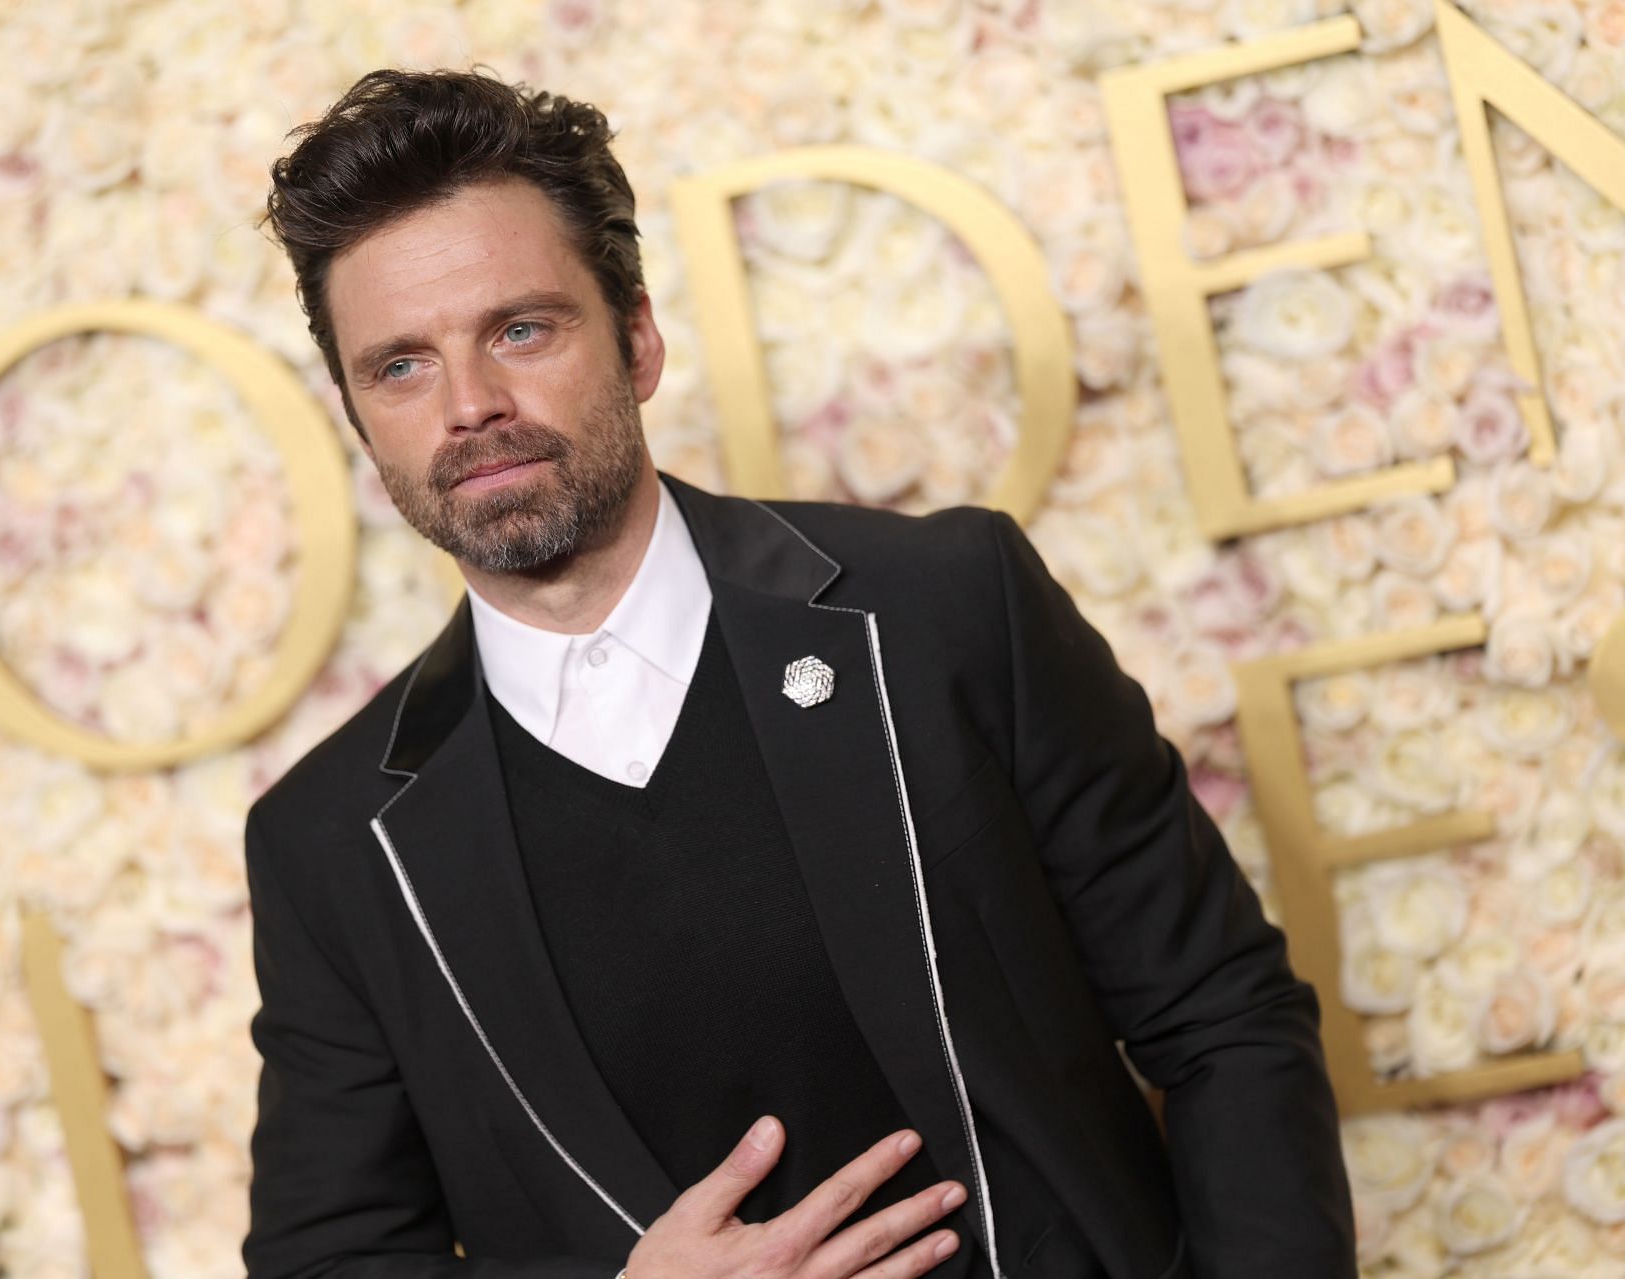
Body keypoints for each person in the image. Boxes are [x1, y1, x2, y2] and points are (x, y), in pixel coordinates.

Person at [244, 66, 1356, 1279]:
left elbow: (1223, 1019)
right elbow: (329, 1259)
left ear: (637, 335)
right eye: (400, 365)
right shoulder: (332, 843)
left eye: (520, 328)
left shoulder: (947, 612)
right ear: (359, 416)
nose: (470, 403)